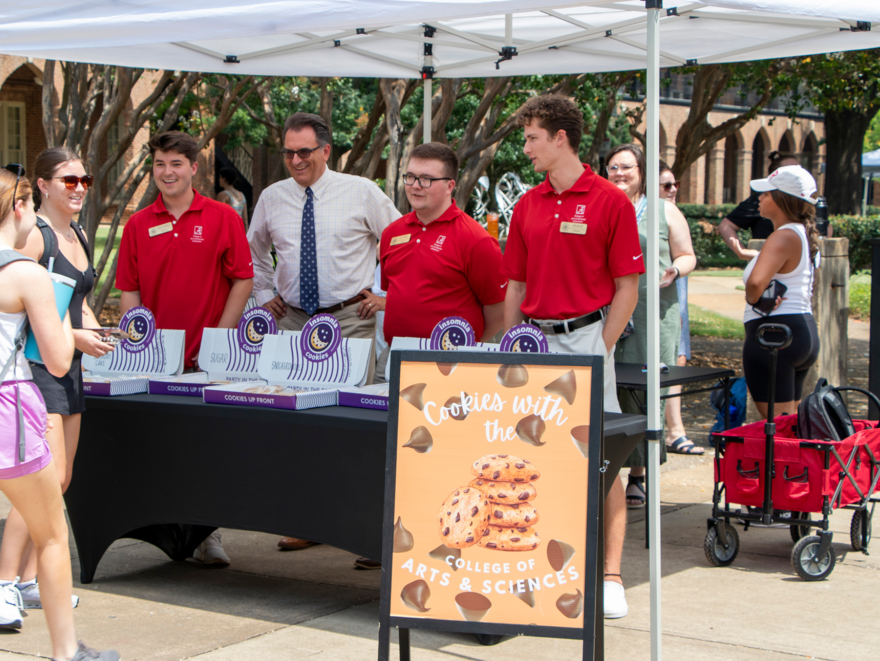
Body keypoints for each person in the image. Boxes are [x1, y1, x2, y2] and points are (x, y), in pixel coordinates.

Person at [0, 167, 118, 661]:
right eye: (31, 206)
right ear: (18, 209)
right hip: (7, 412)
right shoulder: (25, 273)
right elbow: (56, 360)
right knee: (51, 536)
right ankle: (65, 650)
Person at [500, 94, 643, 619]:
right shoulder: (528, 204)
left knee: (601, 461)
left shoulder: (610, 200)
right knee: (528, 456)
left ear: (561, 138)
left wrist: (599, 348)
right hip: (531, 344)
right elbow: (515, 283)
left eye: (532, 137)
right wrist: (509, 346)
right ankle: (535, 563)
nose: (526, 147)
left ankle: (609, 575)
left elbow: (627, 287)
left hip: (585, 341)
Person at [247, 111, 401, 554]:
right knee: (301, 428)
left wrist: (385, 294)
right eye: (288, 153)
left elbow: (399, 243)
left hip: (351, 321)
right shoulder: (273, 198)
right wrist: (263, 294)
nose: (295, 161)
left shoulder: (361, 192)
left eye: (304, 152)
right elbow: (254, 249)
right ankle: (309, 519)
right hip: (294, 324)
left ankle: (370, 532)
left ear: (326, 151)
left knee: (358, 427)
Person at [0, 149, 113, 627]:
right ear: (43, 185)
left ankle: (31, 580)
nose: (78, 188)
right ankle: (2, 585)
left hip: (68, 367)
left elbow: (75, 302)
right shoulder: (35, 237)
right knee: (46, 481)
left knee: (63, 479)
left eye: (85, 180)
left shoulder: (77, 233)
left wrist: (96, 332)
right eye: (68, 180)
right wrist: (72, 336)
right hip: (34, 368)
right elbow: (22, 311)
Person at [116, 130, 254, 566]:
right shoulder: (139, 224)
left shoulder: (221, 217)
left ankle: (208, 533)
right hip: (158, 361)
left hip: (206, 361)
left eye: (176, 164)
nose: (167, 172)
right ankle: (168, 529)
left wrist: (221, 338)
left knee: (208, 452)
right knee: (162, 450)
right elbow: (129, 290)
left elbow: (242, 279)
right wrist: (140, 346)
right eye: (160, 164)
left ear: (195, 168)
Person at [605, 146, 697, 511]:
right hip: (606, 309)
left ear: (642, 171)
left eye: (626, 167)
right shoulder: (601, 206)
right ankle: (607, 469)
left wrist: (676, 269)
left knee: (644, 391)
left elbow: (687, 254)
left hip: (651, 313)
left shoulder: (664, 210)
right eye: (612, 167)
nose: (619, 173)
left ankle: (639, 476)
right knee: (611, 387)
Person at [379, 142, 506, 346]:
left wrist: (465, 346)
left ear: (450, 186)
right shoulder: (392, 233)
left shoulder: (475, 239)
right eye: (410, 177)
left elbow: (498, 310)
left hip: (451, 359)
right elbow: (395, 295)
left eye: (427, 179)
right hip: (395, 355)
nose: (416, 185)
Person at [731, 165, 820, 419]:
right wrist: (757, 256)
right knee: (789, 424)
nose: (759, 198)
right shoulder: (800, 233)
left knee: (777, 430)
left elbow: (757, 283)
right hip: (801, 332)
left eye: (767, 193)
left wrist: (752, 298)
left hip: (774, 337)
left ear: (782, 199)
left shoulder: (781, 237)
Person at [659, 164, 703, 456]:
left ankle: (675, 429)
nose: (673, 189)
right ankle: (673, 430)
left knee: (676, 359)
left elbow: (687, 256)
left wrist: (675, 269)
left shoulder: (672, 214)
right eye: (666, 185)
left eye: (675, 184)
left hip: (672, 294)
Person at [718, 151, 800, 260]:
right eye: (765, 194)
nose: (761, 198)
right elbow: (726, 225)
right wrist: (743, 252)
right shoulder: (758, 202)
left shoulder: (809, 205)